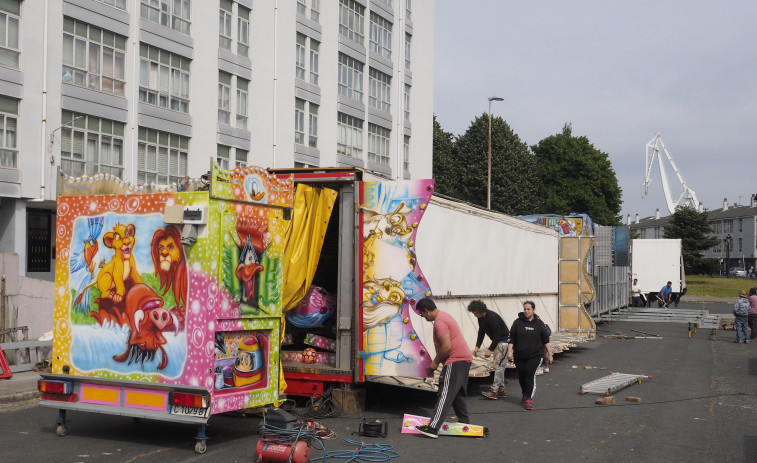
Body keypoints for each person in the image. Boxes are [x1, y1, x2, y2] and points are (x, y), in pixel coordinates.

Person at [414, 298, 472, 438]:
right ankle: (464, 422)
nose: (422, 317)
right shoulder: (444, 316)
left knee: (444, 393)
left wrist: (434, 364)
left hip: (455, 360)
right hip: (464, 359)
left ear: (426, 311)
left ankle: (433, 428)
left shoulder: (440, 322)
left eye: (422, 314)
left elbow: (446, 347)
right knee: (457, 393)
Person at [506, 300, 552, 411]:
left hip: (535, 355)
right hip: (520, 355)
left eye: (528, 309)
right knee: (521, 377)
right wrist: (509, 352)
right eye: (525, 309)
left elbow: (546, 340)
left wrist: (550, 354)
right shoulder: (517, 322)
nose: (526, 311)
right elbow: (512, 339)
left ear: (533, 310)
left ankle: (529, 399)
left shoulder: (539, 323)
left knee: (529, 374)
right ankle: (525, 393)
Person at [468, 300, 509, 399]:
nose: (474, 315)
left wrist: (490, 349)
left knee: (498, 366)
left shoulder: (492, 318)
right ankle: (501, 389)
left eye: (474, 312)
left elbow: (497, 335)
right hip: (498, 342)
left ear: (479, 310)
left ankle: (494, 391)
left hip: (503, 342)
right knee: (499, 366)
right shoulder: (481, 318)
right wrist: (477, 345)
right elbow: (481, 331)